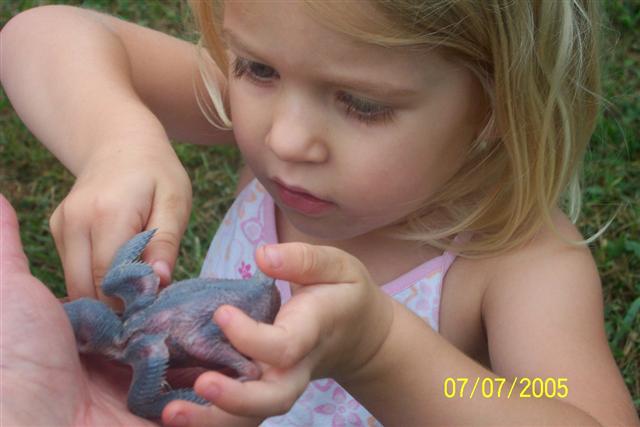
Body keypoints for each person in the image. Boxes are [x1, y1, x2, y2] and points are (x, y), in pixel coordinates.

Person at [1, 1, 638, 426]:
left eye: (361, 104)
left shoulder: (520, 259)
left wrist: (381, 352)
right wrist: (117, 139)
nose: (284, 138)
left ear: (496, 107)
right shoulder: (295, 90)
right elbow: (42, 33)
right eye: (255, 67)